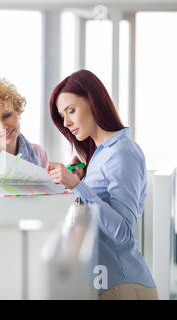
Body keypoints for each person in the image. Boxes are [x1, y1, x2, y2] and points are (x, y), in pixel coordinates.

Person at [47, 69, 158, 300]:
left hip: (124, 287)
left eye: (71, 110)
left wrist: (78, 186)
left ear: (93, 101)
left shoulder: (123, 152)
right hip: (106, 285)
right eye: (62, 115)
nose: (66, 122)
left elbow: (124, 232)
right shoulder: (100, 154)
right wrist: (80, 181)